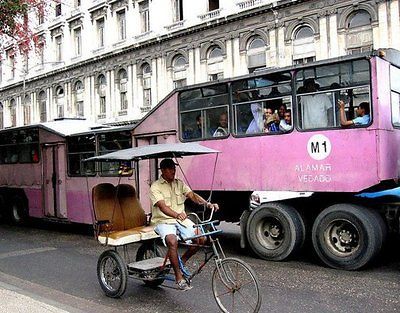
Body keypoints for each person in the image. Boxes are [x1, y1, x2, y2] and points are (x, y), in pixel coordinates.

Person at [150, 158, 219, 291]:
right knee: (172, 241)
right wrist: (176, 214)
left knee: (202, 238)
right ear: (163, 170)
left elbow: (192, 195)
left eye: (174, 168)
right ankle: (178, 277)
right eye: (170, 168)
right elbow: (163, 207)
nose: (173, 171)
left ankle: (182, 260)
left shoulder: (179, 183)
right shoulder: (155, 187)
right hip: (163, 221)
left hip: (181, 220)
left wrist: (207, 204)